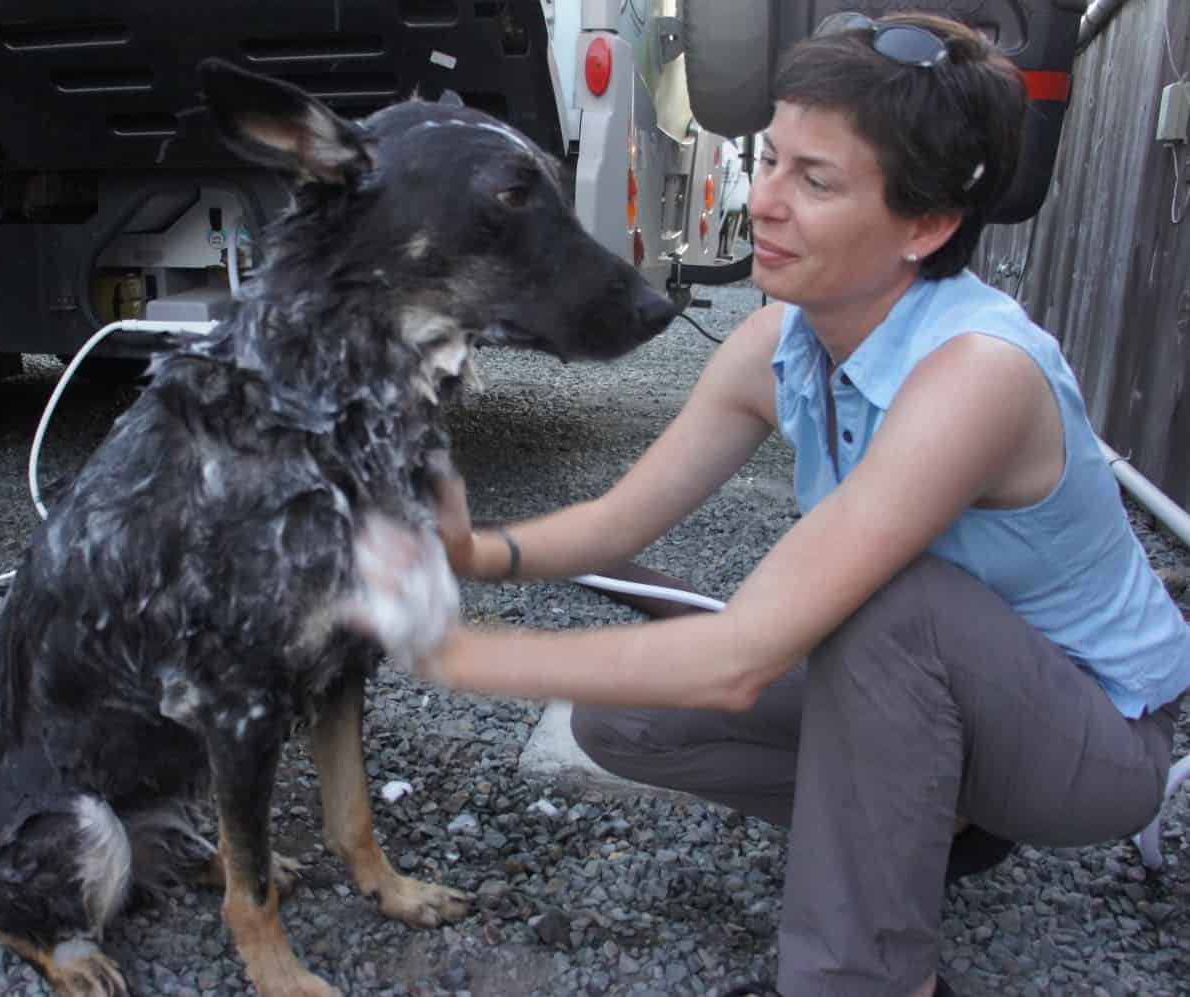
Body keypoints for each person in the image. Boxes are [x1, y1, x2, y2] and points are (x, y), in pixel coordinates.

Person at [344, 11, 1190, 997]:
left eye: (816, 180)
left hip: (1091, 743)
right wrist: (476, 552)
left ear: (926, 225)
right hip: (961, 702)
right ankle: (937, 820)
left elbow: (741, 659)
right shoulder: (783, 336)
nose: (767, 203)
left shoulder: (977, 374)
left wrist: (458, 651)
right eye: (772, 160)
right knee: (626, 722)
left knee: (886, 609)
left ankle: (866, 979)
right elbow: (624, 519)